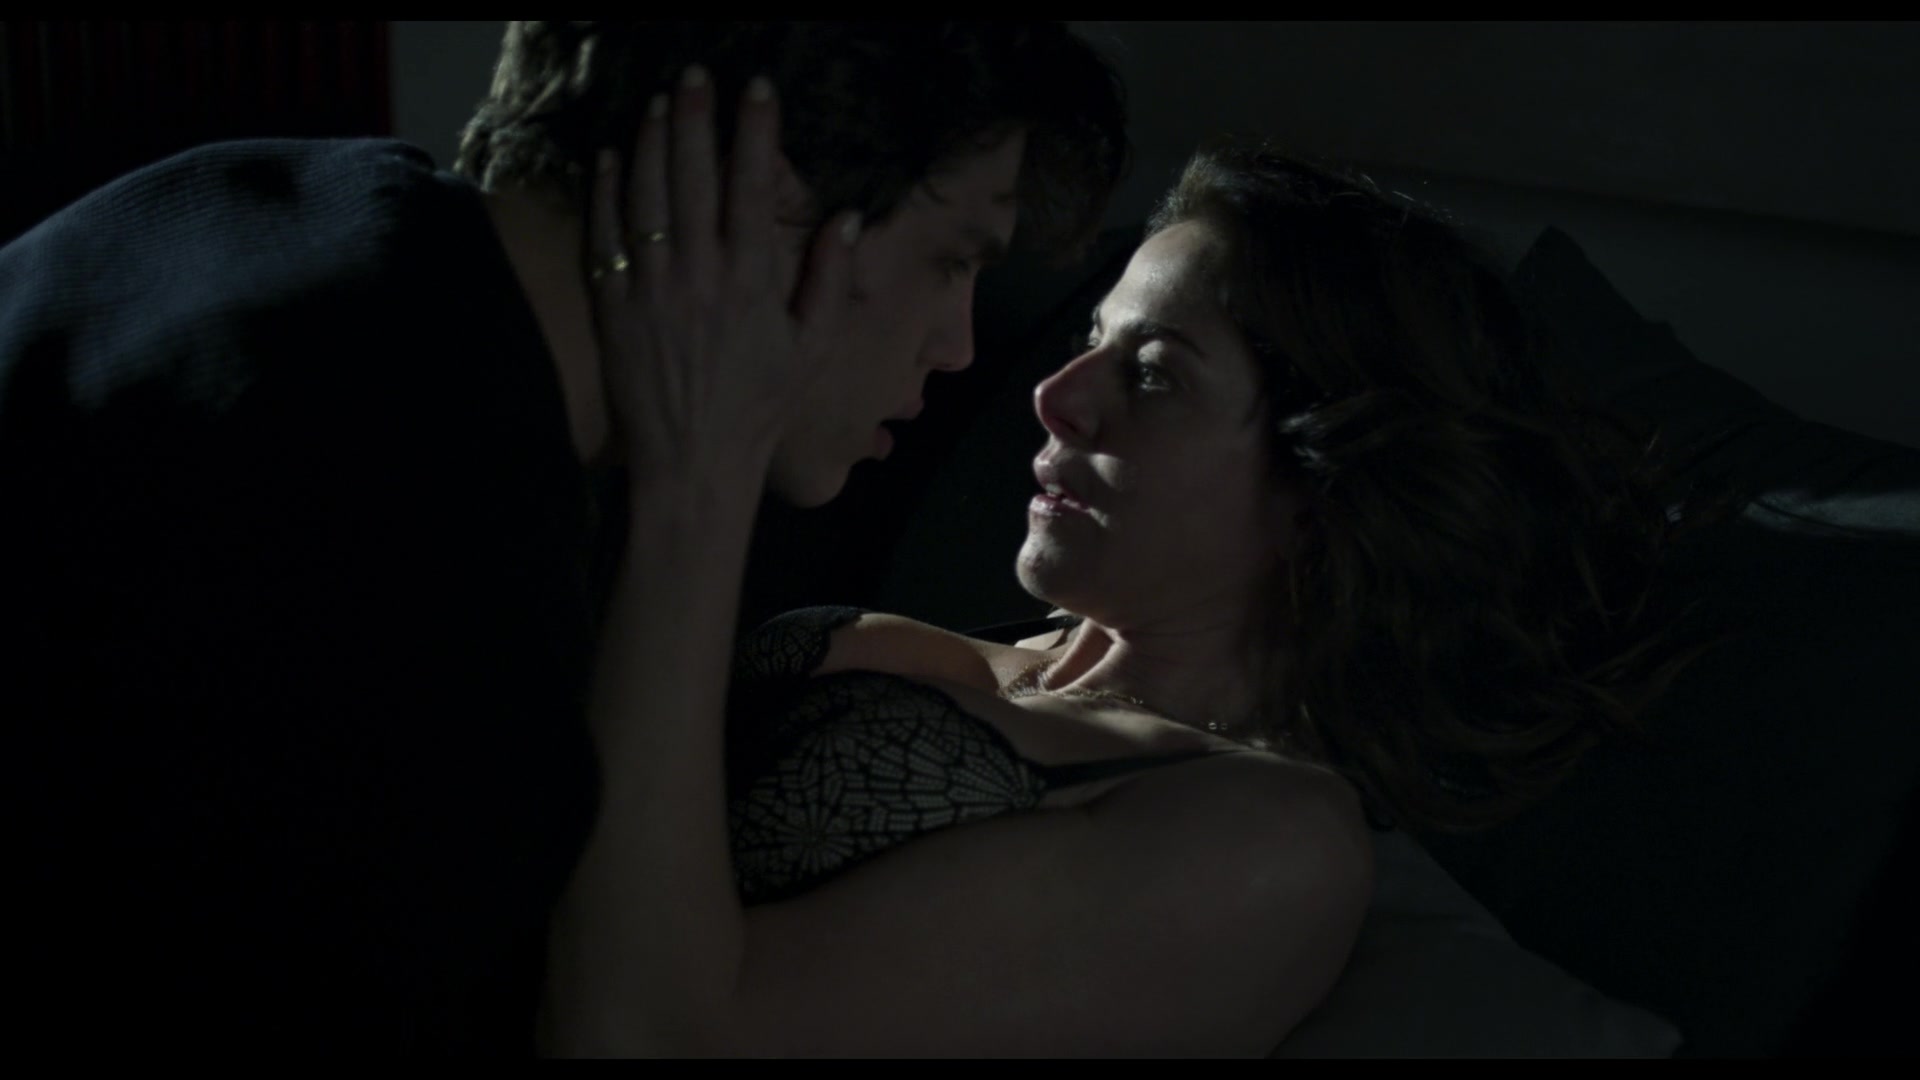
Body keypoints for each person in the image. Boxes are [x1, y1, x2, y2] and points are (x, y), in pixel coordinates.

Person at [0, 22, 1126, 1052]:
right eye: (953, 258)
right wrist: (700, 492)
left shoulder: (244, 202)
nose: (957, 345)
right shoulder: (413, 519)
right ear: (761, 196)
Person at [545, 122, 1713, 1055]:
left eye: (1152, 375)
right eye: (1092, 339)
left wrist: (693, 484)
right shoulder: (979, 653)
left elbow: (652, 1038)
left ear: (1324, 487)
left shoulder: (1269, 843)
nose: (1055, 396)